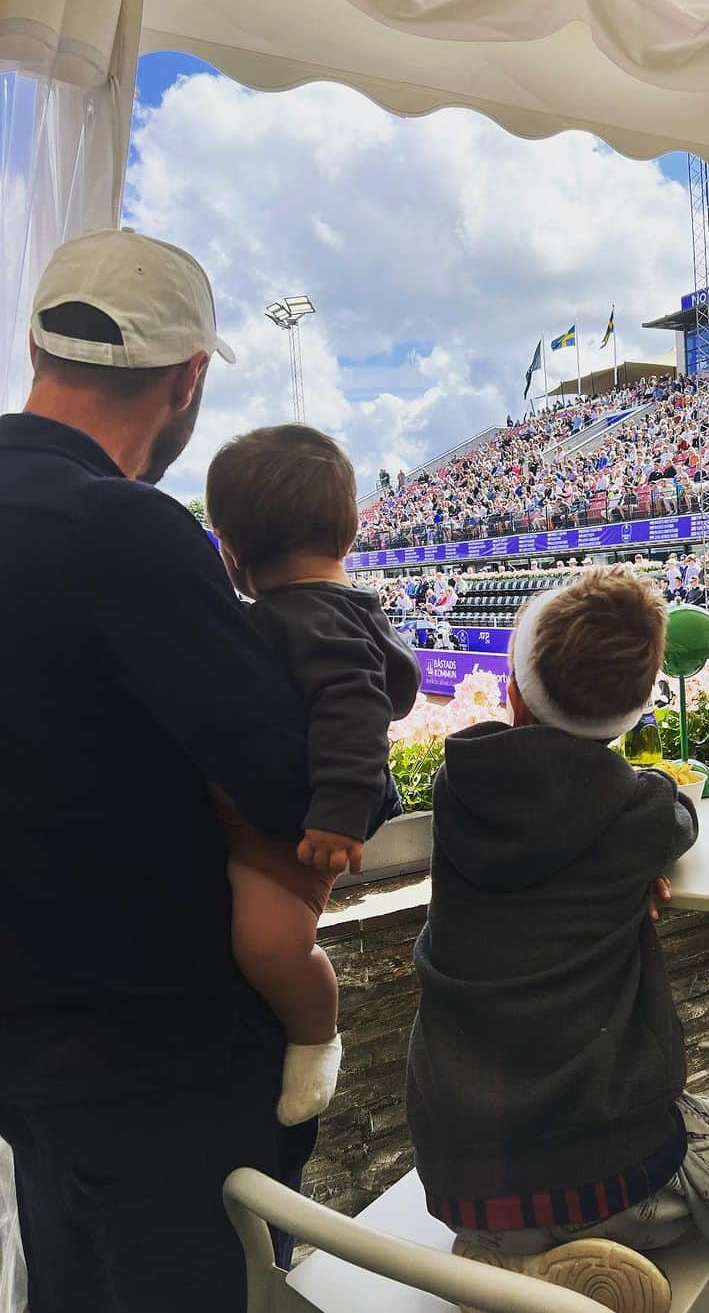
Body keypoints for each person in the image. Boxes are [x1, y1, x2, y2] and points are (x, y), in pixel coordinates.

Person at [0, 229, 319, 1311]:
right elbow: (285, 778)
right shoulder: (124, 529)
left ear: (36, 344)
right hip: (149, 1054)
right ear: (187, 381)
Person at [407, 568, 709, 1313]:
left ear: (511, 691)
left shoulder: (457, 787)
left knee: (536, 1196)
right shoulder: (636, 815)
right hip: (601, 1170)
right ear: (636, 713)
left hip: (456, 1176)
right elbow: (678, 813)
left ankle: (514, 1261)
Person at [205, 425, 420, 1125]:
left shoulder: (315, 618)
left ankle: (315, 1035)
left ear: (232, 555)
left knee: (269, 944)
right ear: (351, 530)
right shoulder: (303, 611)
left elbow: (355, 707)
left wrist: (338, 811)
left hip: (301, 829)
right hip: (276, 817)